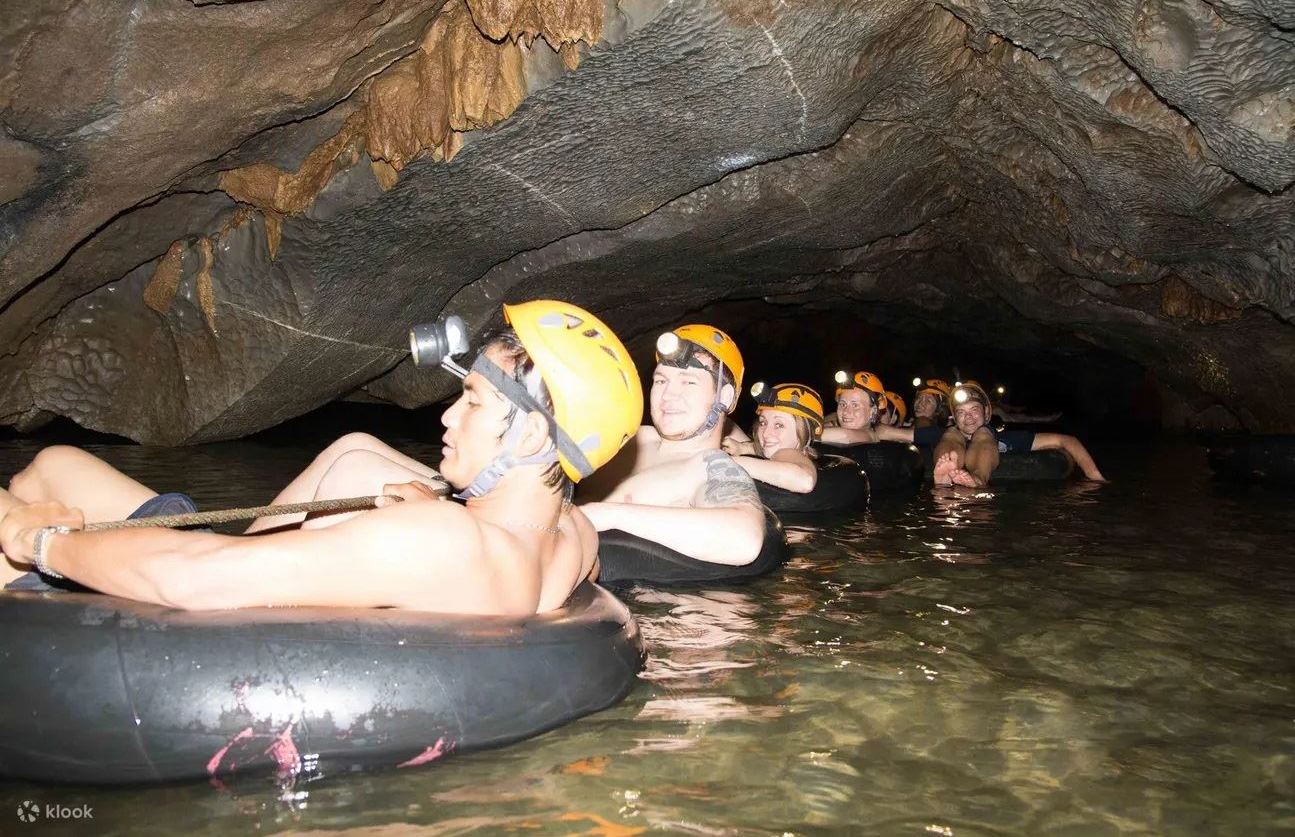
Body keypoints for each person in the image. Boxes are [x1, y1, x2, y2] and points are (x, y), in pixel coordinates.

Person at [1, 300, 643, 615]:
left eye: (472, 401)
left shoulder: (443, 540)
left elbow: (192, 581)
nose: (448, 416)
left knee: (12, 514)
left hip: (184, 605)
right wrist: (435, 504)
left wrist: (42, 543)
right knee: (54, 462)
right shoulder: (572, 535)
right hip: (245, 571)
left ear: (530, 438)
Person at [578, 324, 766, 566]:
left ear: (724, 397)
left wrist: (607, 514)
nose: (668, 395)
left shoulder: (708, 466)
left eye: (688, 383)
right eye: (661, 381)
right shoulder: (628, 438)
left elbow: (744, 540)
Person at [921, 381, 1106, 487]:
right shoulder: (941, 433)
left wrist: (1094, 476)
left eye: (974, 410)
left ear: (987, 413)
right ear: (954, 416)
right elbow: (903, 434)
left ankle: (977, 478)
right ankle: (946, 474)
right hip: (949, 450)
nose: (968, 417)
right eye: (961, 411)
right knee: (950, 434)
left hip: (985, 456)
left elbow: (1065, 440)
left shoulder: (1007, 438)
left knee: (984, 433)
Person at [722, 382, 823, 493]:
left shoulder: (785, 452)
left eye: (779, 425)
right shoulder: (778, 453)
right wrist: (744, 448)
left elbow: (805, 481)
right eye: (763, 423)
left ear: (802, 433)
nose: (765, 433)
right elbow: (728, 425)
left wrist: (722, 462)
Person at [820, 371, 911, 445]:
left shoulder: (870, 434)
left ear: (873, 411)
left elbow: (846, 436)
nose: (846, 412)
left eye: (855, 405)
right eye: (842, 404)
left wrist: (811, 432)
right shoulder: (832, 425)